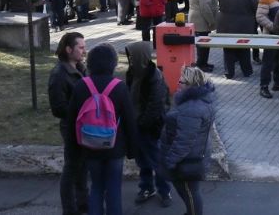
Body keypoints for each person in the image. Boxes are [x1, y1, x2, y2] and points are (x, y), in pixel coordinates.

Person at [66, 44, 138, 215]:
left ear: (90, 63)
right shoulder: (119, 87)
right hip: (115, 147)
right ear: (113, 63)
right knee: (113, 189)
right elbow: (130, 121)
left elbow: (71, 121)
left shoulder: (81, 86)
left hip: (89, 147)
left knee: (96, 187)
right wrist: (133, 151)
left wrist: (73, 150)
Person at [160, 66, 215, 215]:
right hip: (193, 157)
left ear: (191, 84)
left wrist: (171, 160)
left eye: (182, 81)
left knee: (190, 193)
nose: (178, 82)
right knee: (187, 191)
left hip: (188, 160)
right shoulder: (200, 101)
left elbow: (184, 141)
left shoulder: (191, 108)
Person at [124, 41, 172, 207]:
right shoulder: (132, 73)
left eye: (132, 56)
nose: (130, 60)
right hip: (137, 125)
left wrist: (142, 124)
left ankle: (164, 191)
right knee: (142, 161)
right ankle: (146, 187)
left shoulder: (154, 76)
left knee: (157, 160)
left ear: (140, 57)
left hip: (150, 127)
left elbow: (156, 105)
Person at [48, 32, 88, 215]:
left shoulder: (81, 67)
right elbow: (57, 108)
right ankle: (70, 210)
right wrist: (80, 111)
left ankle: (83, 204)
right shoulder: (59, 75)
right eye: (80, 47)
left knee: (82, 167)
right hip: (71, 127)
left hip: (84, 126)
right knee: (72, 168)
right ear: (68, 49)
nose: (84, 51)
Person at [216, 0, 257, 79]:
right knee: (244, 49)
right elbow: (255, 9)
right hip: (244, 26)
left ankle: (229, 72)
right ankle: (247, 71)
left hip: (225, 26)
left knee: (228, 49)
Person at [188, 0, 217, 72]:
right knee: (203, 43)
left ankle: (203, 63)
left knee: (202, 43)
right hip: (201, 19)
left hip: (195, 17)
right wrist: (211, 20)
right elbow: (205, 7)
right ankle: (201, 65)